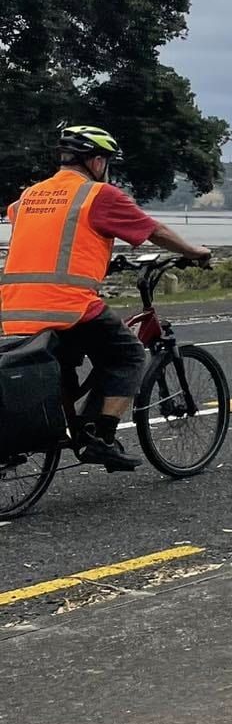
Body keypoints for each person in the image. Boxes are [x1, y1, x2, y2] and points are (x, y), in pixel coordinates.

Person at [1, 126, 213, 471]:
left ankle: (72, 424)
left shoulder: (29, 197)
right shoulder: (97, 195)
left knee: (68, 367)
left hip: (14, 307)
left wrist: (97, 258)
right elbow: (153, 231)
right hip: (66, 306)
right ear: (97, 161)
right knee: (128, 353)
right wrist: (195, 251)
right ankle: (99, 435)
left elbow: (54, 235)